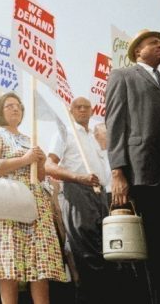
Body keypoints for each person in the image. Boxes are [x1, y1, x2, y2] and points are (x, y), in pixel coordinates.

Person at [105, 29, 160, 304]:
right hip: (143, 173)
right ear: (138, 50)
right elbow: (114, 124)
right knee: (154, 248)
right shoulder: (123, 76)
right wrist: (118, 171)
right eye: (154, 43)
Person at [0, 92, 66, 304]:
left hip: (35, 203)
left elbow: (39, 175)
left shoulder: (30, 139)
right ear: (0, 111)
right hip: (7, 203)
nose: (15, 108)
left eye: (18, 105)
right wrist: (25, 158)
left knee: (40, 265)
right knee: (10, 265)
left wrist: (40, 162)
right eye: (9, 105)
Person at [45, 96, 111, 304]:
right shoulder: (64, 133)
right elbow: (48, 165)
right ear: (71, 111)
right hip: (76, 191)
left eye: (86, 107)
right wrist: (77, 177)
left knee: (106, 250)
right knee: (86, 253)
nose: (82, 110)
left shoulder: (95, 135)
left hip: (100, 194)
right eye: (78, 107)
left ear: (92, 111)